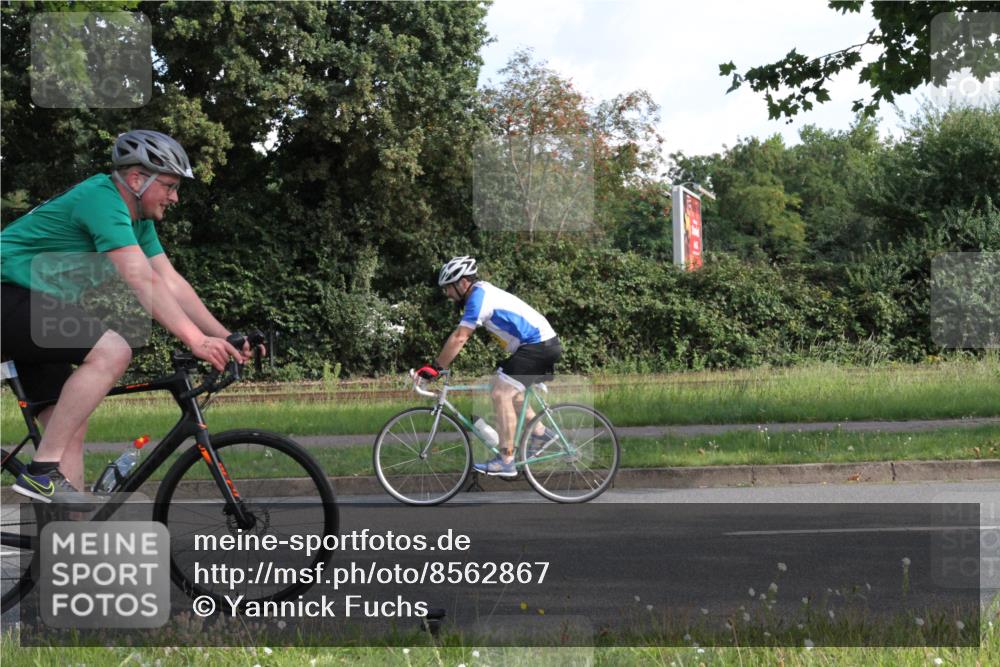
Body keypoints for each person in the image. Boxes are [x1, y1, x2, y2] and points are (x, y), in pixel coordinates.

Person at [1, 129, 252, 505]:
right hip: (8, 294)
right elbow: (140, 278)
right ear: (137, 178)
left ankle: (65, 549)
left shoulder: (138, 220)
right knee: (113, 351)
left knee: (69, 428)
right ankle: (40, 475)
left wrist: (226, 335)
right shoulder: (101, 200)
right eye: (169, 185)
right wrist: (195, 340)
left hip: (34, 306)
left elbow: (171, 282)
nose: (175, 197)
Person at [416, 256, 562, 477]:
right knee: (504, 387)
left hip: (537, 346)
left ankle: (506, 461)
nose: (447, 294)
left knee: (500, 393)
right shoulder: (481, 293)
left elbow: (460, 337)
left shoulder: (479, 297)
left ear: (463, 282)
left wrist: (435, 368)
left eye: (448, 288)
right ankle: (541, 433)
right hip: (539, 345)